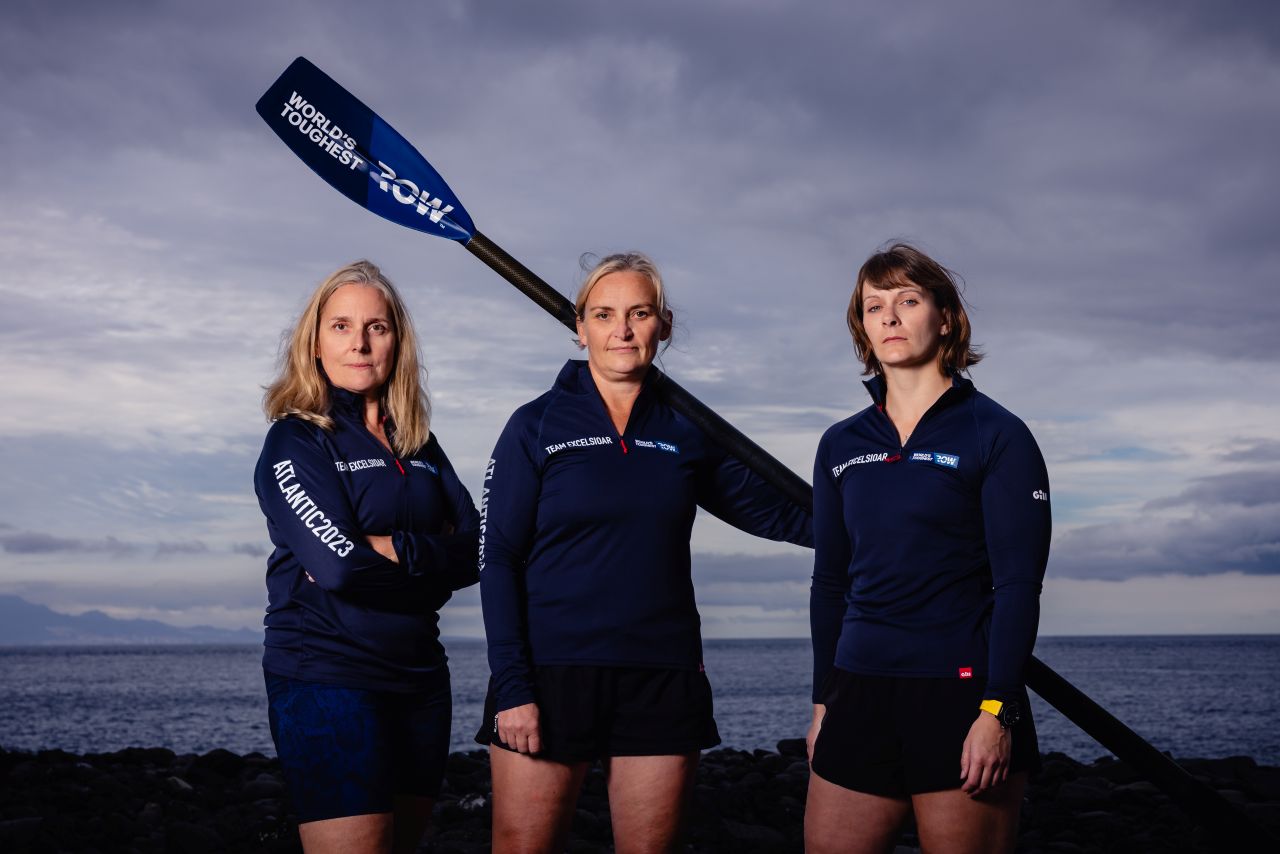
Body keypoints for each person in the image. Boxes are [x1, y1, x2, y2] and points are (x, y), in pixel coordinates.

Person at [477, 252, 813, 853]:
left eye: (639, 313)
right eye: (604, 315)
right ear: (580, 328)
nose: (623, 330)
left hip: (662, 672)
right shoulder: (536, 424)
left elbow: (774, 513)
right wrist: (512, 686)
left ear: (664, 324)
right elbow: (498, 558)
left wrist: (880, 526)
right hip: (553, 672)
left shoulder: (687, 429)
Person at [805, 243, 1051, 853]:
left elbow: (1018, 587)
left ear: (945, 318)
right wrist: (822, 701)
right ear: (863, 327)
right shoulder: (840, 443)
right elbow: (830, 582)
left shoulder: (997, 434)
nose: (889, 317)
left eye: (908, 301)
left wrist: (997, 711)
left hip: (959, 694)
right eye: (874, 306)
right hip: (857, 689)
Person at [254, 260, 480, 854]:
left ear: (396, 342)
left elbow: (480, 550)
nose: (359, 343)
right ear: (315, 342)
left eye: (376, 327)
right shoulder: (297, 439)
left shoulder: (419, 442)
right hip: (328, 676)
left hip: (420, 678)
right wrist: (432, 565)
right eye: (341, 326)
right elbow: (340, 568)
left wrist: (395, 547)